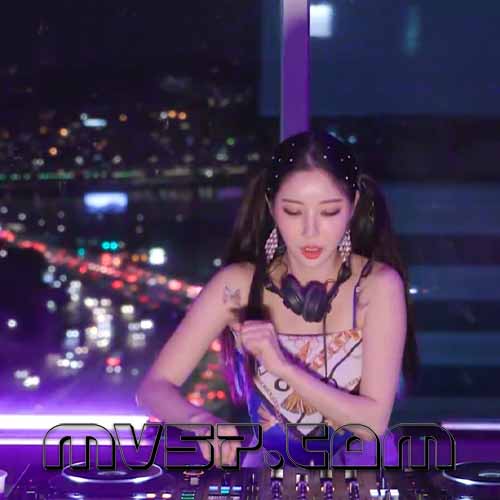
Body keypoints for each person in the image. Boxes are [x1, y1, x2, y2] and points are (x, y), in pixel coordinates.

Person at [136, 130, 419, 468]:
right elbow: (152, 388)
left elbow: (371, 424)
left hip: (362, 475)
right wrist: (200, 422)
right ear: (272, 207)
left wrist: (281, 365)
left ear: (353, 206)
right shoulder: (237, 286)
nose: (311, 231)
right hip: (268, 476)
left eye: (329, 212)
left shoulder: (377, 285)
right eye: (293, 211)